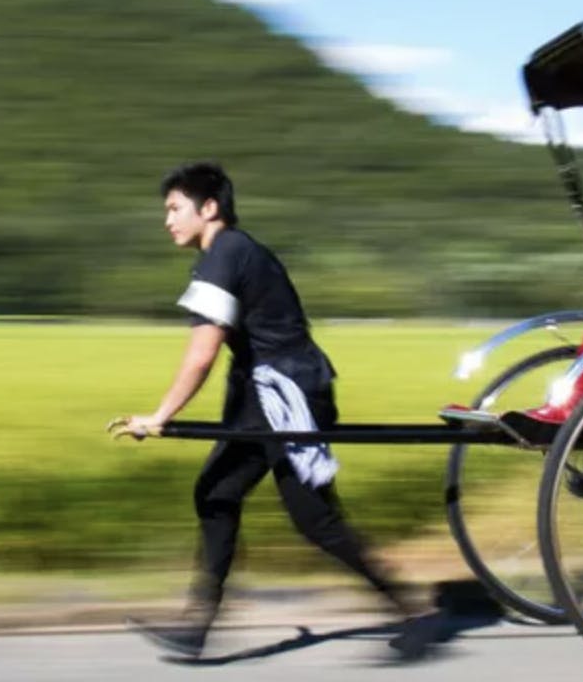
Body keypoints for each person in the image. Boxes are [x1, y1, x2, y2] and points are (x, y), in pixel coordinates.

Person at [111, 161, 433, 660]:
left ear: (209, 207)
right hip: (263, 392)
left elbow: (202, 353)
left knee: (314, 520)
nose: (167, 220)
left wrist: (158, 416)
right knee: (218, 490)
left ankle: (410, 611)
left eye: (175, 208)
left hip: (288, 395)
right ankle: (198, 624)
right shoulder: (227, 253)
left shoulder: (226, 253)